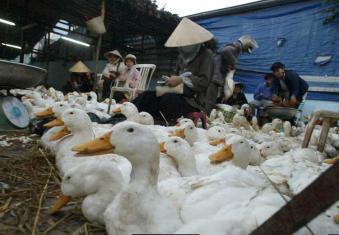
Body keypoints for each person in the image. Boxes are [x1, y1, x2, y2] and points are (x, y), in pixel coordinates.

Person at [133, 17, 214, 123]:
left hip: (193, 101)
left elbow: (204, 82)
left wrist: (182, 79)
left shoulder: (206, 54)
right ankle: (127, 116)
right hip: (178, 92)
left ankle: (168, 124)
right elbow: (175, 75)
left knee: (168, 98)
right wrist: (170, 80)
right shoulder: (182, 56)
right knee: (148, 95)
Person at [206, 35, 259, 113]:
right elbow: (226, 51)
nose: (246, 51)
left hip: (215, 77)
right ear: (246, 44)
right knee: (210, 101)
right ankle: (205, 119)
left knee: (212, 101)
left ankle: (206, 118)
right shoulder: (236, 46)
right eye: (248, 48)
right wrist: (233, 63)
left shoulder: (235, 47)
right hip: (214, 77)